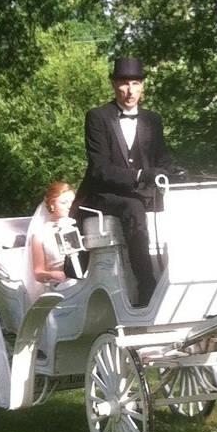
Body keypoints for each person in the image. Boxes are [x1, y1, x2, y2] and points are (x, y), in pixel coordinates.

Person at [69, 56, 176, 307]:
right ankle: (147, 285)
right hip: (103, 194)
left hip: (141, 192)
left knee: (178, 202)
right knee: (134, 208)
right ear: (114, 85)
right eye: (125, 84)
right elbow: (100, 169)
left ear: (143, 86)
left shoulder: (152, 119)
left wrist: (176, 171)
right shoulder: (97, 117)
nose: (130, 91)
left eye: (136, 83)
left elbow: (162, 158)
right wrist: (139, 175)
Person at [23, 181, 76, 302]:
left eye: (72, 202)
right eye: (64, 203)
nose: (69, 206)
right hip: (60, 287)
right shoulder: (40, 234)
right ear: (52, 204)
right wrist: (52, 275)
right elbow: (38, 272)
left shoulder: (77, 225)